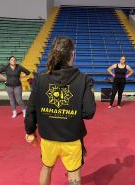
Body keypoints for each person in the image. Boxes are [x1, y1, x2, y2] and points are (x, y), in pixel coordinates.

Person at [24, 36, 96, 185]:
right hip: (71, 138)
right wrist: (73, 112)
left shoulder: (40, 78)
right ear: (72, 54)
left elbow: (31, 109)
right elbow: (89, 112)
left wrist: (30, 131)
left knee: (46, 168)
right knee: (74, 173)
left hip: (48, 138)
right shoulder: (83, 79)